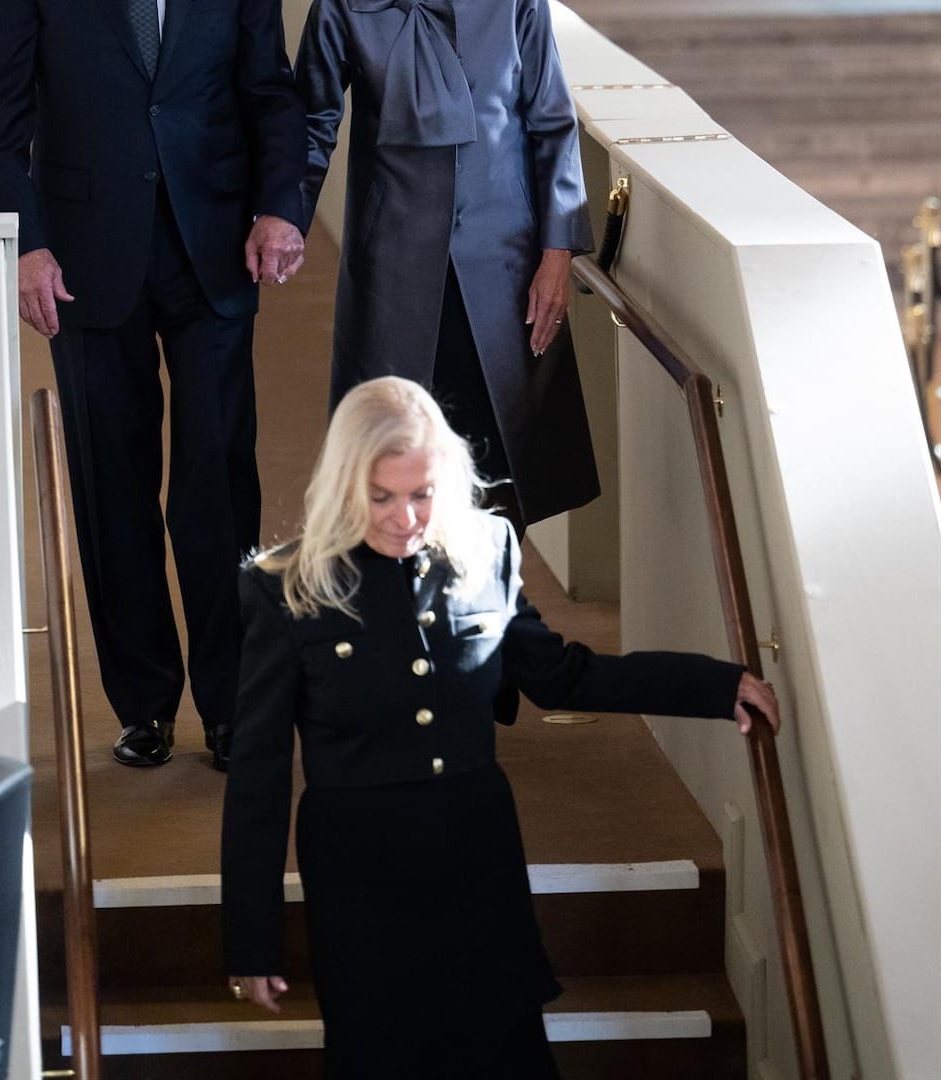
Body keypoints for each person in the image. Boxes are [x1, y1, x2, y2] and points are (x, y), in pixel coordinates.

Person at [221, 377, 779, 1079]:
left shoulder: (486, 549)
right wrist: (252, 938)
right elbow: (260, 774)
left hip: (476, 857)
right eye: (381, 497)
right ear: (343, 486)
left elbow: (562, 676)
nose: (405, 518)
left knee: (505, 1053)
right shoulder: (285, 586)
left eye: (422, 493)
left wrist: (713, 685)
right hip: (362, 874)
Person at [0, 0, 305, 772]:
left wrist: (280, 208)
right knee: (112, 487)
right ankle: (144, 702)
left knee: (219, 485)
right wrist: (26, 246)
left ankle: (233, 705)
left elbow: (270, 92)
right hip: (84, 257)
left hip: (214, 252)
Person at [294, 0, 596, 529]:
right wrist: (282, 219)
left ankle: (498, 599)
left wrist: (558, 254)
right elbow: (308, 122)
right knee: (398, 462)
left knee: (504, 469)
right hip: (394, 266)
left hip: (506, 264)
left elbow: (551, 122)